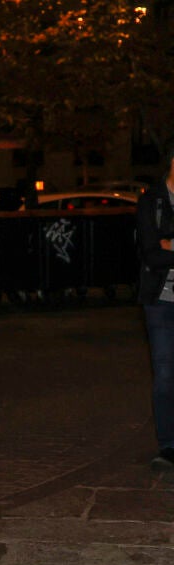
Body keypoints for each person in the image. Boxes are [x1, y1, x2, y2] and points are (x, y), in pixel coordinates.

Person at [136, 141, 174, 469]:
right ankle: (168, 446)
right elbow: (153, 253)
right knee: (164, 374)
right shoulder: (152, 200)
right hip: (160, 301)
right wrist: (164, 246)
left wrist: (170, 243)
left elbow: (165, 248)